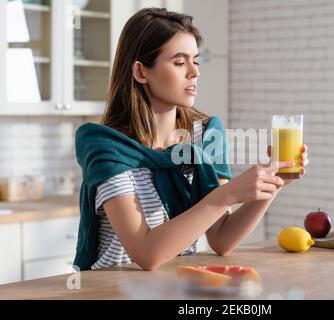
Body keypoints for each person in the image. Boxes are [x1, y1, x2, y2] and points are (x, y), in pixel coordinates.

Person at [73, 8, 309, 271]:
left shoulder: (206, 134)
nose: (194, 73)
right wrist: (227, 194)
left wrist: (273, 182)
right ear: (141, 72)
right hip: (112, 289)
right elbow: (146, 254)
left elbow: (221, 238)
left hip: (179, 285)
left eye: (195, 61)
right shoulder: (108, 147)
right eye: (179, 62)